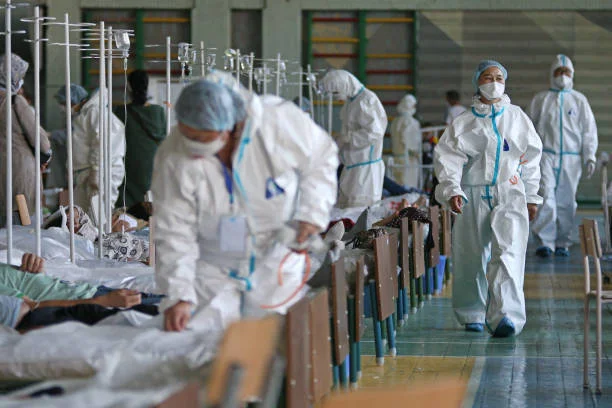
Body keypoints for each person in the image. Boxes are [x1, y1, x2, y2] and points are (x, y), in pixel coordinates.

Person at [152, 79, 338, 332]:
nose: (191, 145)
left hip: (275, 259)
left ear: (229, 127)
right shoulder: (173, 154)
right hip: (212, 268)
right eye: (186, 135)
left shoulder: (275, 122)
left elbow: (321, 157)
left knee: (276, 343)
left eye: (199, 138)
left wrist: (312, 213)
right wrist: (179, 294)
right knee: (206, 344)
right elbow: (174, 229)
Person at [434, 60, 543, 337]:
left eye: (498, 77)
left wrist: (531, 195)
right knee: (470, 255)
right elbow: (448, 158)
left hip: (510, 191)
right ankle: (472, 311)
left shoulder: (517, 117)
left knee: (509, 252)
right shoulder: (464, 122)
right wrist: (452, 190)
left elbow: (530, 158)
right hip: (472, 193)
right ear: (477, 82)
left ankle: (506, 316)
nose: (494, 82)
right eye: (487, 77)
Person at [529, 55, 598, 257]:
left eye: (566, 72)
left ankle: (563, 242)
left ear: (572, 75)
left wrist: (589, 156)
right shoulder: (541, 99)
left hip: (571, 158)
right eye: (559, 72)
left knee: (567, 202)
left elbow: (589, 130)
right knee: (546, 198)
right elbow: (528, 128)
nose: (563, 76)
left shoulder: (579, 100)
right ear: (552, 74)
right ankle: (545, 242)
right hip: (546, 156)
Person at [319, 70, 387, 208]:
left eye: (336, 92)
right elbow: (349, 129)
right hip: (351, 166)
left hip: (365, 170)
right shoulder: (351, 102)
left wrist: (349, 138)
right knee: (345, 209)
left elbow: (375, 133)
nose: (336, 97)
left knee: (359, 210)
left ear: (344, 85)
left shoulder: (367, 100)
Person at [55, 84, 126, 212]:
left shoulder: (94, 112)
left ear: (73, 100)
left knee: (99, 215)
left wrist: (96, 170)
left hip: (102, 172)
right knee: (84, 215)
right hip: (89, 172)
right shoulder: (86, 114)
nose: (63, 108)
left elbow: (102, 142)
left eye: (64, 103)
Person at [0, 53, 52, 225]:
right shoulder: (14, 101)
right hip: (20, 172)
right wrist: (45, 156)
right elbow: (40, 140)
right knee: (23, 228)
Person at [115, 70, 167, 209]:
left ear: (129, 87)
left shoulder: (121, 112)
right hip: (153, 168)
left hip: (129, 167)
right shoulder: (159, 112)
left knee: (129, 211)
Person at [390, 94, 421, 187]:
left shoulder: (395, 121)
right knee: (409, 188)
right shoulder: (411, 122)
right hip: (409, 160)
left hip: (396, 158)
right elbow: (411, 144)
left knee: (398, 187)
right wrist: (418, 154)